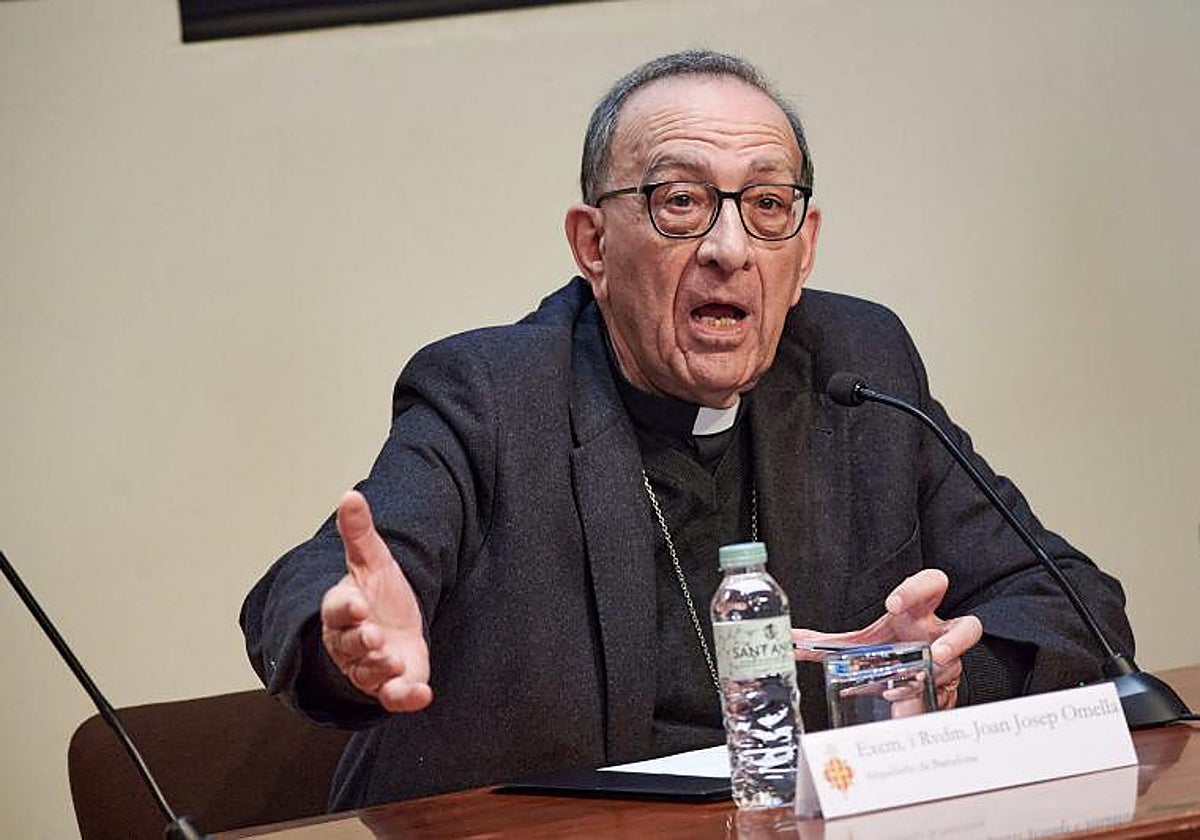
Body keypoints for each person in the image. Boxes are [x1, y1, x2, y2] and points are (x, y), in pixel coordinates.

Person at [241, 50, 1133, 811]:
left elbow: (1075, 606)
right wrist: (343, 638)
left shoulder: (858, 370)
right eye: (680, 201)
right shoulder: (491, 395)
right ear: (592, 244)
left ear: (805, 246)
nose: (730, 248)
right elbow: (329, 579)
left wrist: (926, 683)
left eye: (767, 207)